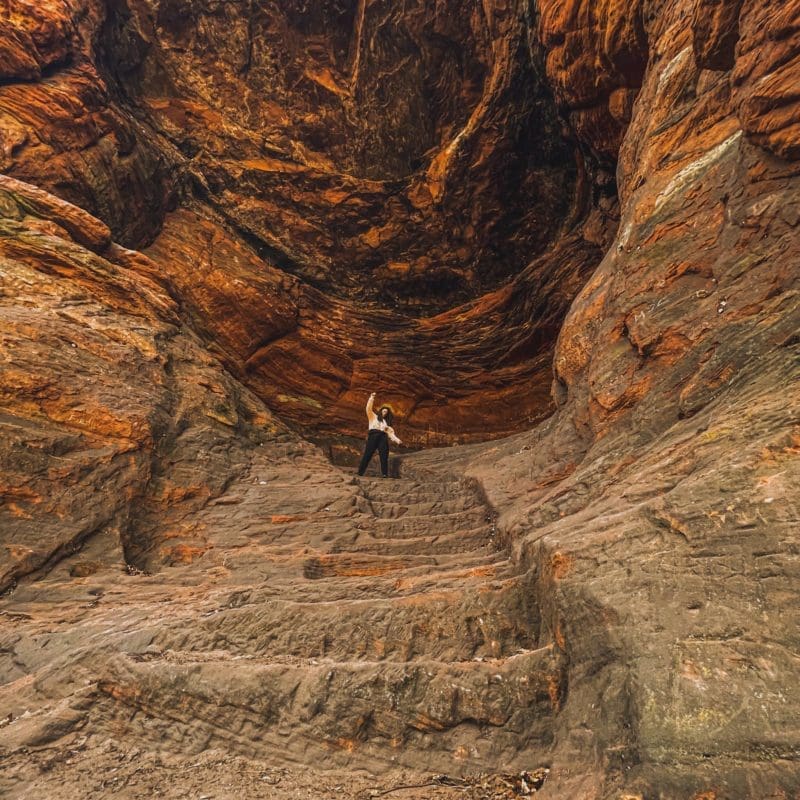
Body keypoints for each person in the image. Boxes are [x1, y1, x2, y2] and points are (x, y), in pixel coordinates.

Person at [357, 392, 402, 477]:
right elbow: (368, 409)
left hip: (383, 437)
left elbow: (391, 434)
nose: (384, 412)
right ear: (380, 411)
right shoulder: (373, 417)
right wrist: (372, 397)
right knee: (368, 453)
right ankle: (360, 472)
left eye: (386, 412)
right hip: (373, 435)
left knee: (384, 454)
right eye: (383, 411)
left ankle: (384, 473)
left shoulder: (387, 424)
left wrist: (397, 440)